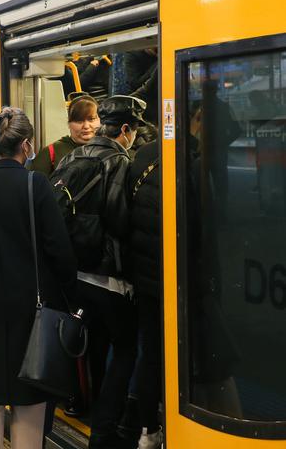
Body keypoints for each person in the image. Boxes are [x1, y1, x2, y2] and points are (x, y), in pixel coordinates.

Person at [0, 107, 77, 449]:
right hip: (31, 312)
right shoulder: (35, 184)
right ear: (27, 145)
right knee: (28, 401)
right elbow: (60, 252)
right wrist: (70, 300)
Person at [69, 95, 145, 449]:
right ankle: (104, 429)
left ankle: (85, 404)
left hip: (77, 275)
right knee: (126, 348)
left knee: (94, 346)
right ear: (125, 130)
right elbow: (119, 221)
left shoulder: (73, 156)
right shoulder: (119, 162)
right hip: (109, 278)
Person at [126, 141, 162, 448]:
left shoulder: (140, 158)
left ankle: (148, 428)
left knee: (149, 354)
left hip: (142, 278)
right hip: (168, 282)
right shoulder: (188, 155)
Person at [31, 93, 101, 177]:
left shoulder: (109, 151)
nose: (86, 126)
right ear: (69, 123)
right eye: (79, 121)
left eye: (91, 119)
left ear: (100, 121)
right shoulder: (51, 152)